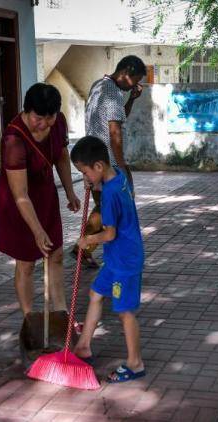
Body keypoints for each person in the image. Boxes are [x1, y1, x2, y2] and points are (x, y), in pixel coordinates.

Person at [0, 83, 80, 316]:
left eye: (49, 117)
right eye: (38, 118)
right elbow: (20, 196)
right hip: (18, 203)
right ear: (27, 110)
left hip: (45, 197)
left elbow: (61, 156)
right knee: (27, 262)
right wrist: (37, 230)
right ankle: (30, 320)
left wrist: (69, 191)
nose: (43, 124)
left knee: (56, 255)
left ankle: (61, 315)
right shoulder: (14, 139)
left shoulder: (58, 122)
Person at [70, 136, 146, 383]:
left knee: (124, 311)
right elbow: (107, 187)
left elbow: (110, 233)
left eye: (85, 171)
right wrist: (94, 184)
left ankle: (135, 363)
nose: (85, 177)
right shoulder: (119, 178)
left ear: (99, 166)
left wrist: (88, 240)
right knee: (95, 294)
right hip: (117, 258)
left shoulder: (110, 196)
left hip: (124, 261)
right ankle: (83, 347)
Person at [71, 55, 147, 268]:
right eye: (135, 79)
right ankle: (85, 247)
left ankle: (83, 249)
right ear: (124, 73)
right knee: (111, 208)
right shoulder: (112, 94)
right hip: (107, 165)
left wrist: (131, 98)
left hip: (92, 160)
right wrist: (122, 167)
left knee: (103, 207)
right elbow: (115, 133)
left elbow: (118, 118)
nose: (135, 84)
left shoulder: (99, 86)